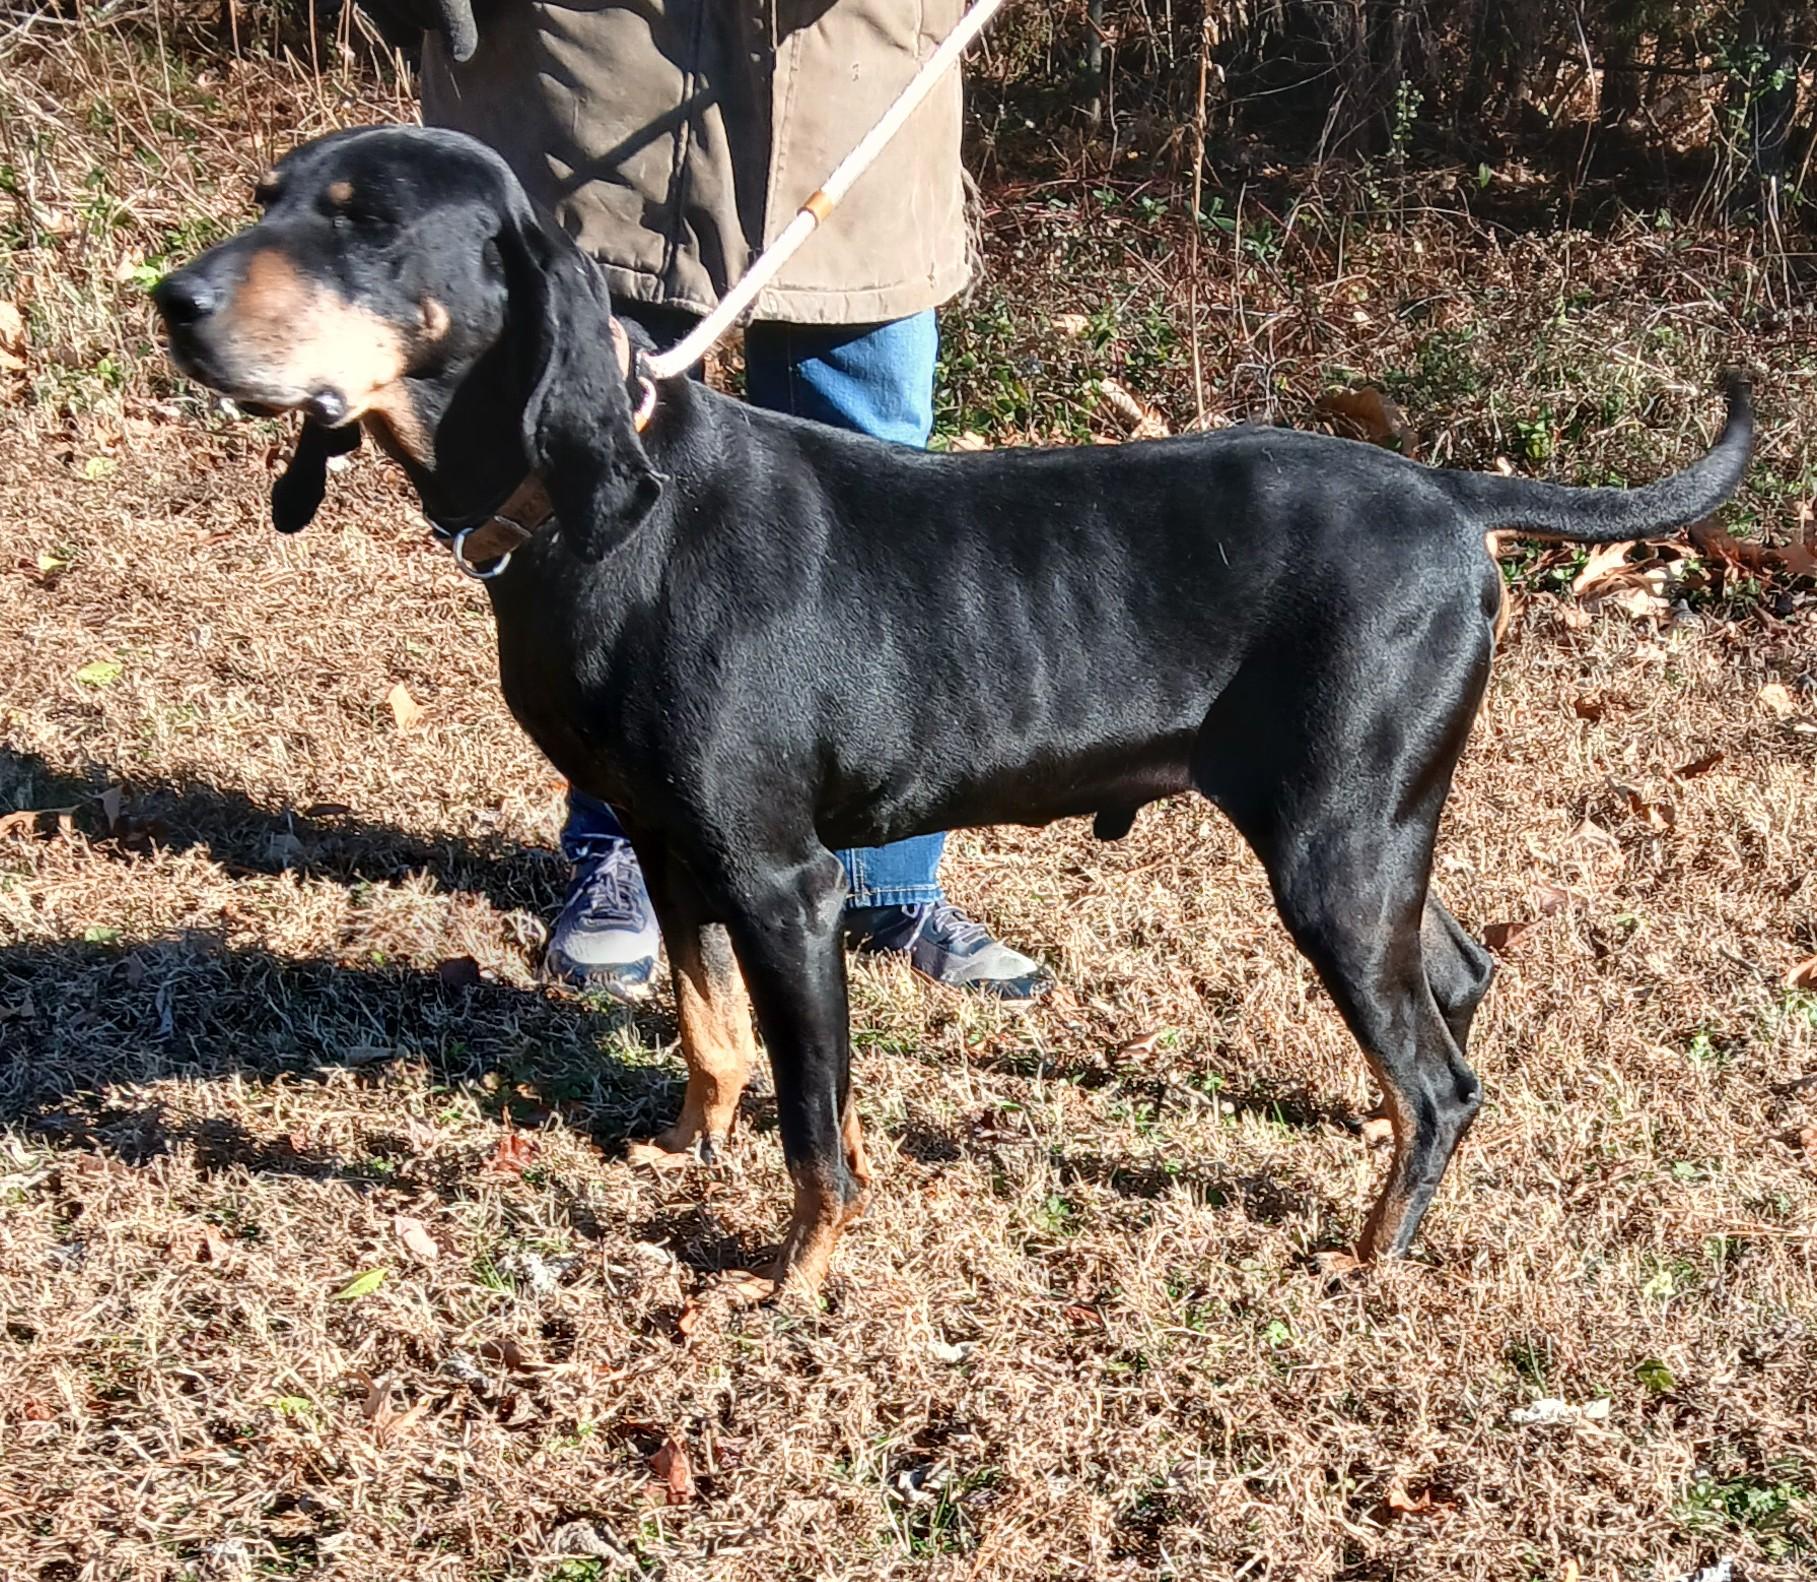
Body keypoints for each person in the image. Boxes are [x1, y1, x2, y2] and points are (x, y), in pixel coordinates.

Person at [349, 0, 1054, 1002]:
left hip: (854, 51)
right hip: (587, 58)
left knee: (875, 489)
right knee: (594, 479)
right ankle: (628, 851)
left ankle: (882, 872)